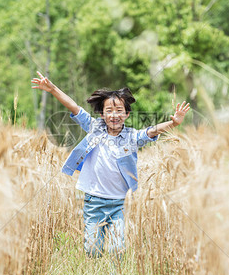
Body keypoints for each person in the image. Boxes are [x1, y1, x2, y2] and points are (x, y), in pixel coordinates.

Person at [31, 71, 190, 258]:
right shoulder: (93, 128)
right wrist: (53, 89)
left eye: (119, 111)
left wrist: (174, 124)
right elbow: (74, 107)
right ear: (101, 113)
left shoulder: (132, 137)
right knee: (92, 249)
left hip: (120, 203)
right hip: (94, 200)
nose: (114, 115)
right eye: (109, 111)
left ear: (127, 114)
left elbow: (150, 131)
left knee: (117, 249)